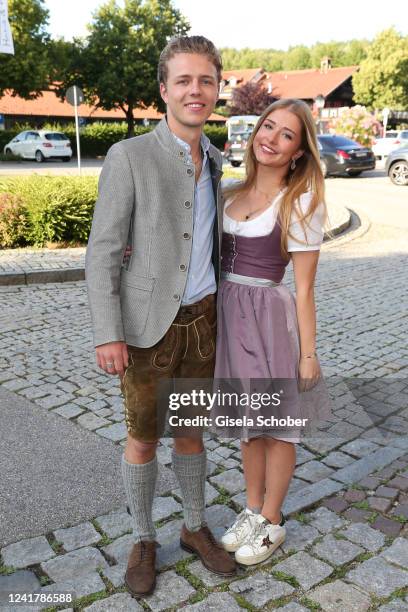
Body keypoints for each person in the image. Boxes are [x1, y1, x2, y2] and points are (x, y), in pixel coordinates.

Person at [85, 35, 236, 597]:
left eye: (206, 80)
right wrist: (108, 332)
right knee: (143, 438)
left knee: (193, 434)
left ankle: (195, 528)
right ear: (164, 90)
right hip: (147, 330)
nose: (196, 91)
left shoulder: (218, 161)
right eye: (184, 81)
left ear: (218, 88)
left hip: (203, 324)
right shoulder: (130, 157)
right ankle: (143, 538)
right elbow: (102, 250)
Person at [215, 98, 327, 566]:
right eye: (268, 126)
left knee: (278, 426)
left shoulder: (299, 202)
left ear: (299, 151)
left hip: (268, 317)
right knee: (248, 423)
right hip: (228, 314)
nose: (271, 138)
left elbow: (303, 289)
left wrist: (308, 354)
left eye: (286, 135)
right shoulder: (229, 194)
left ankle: (273, 521)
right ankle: (252, 508)